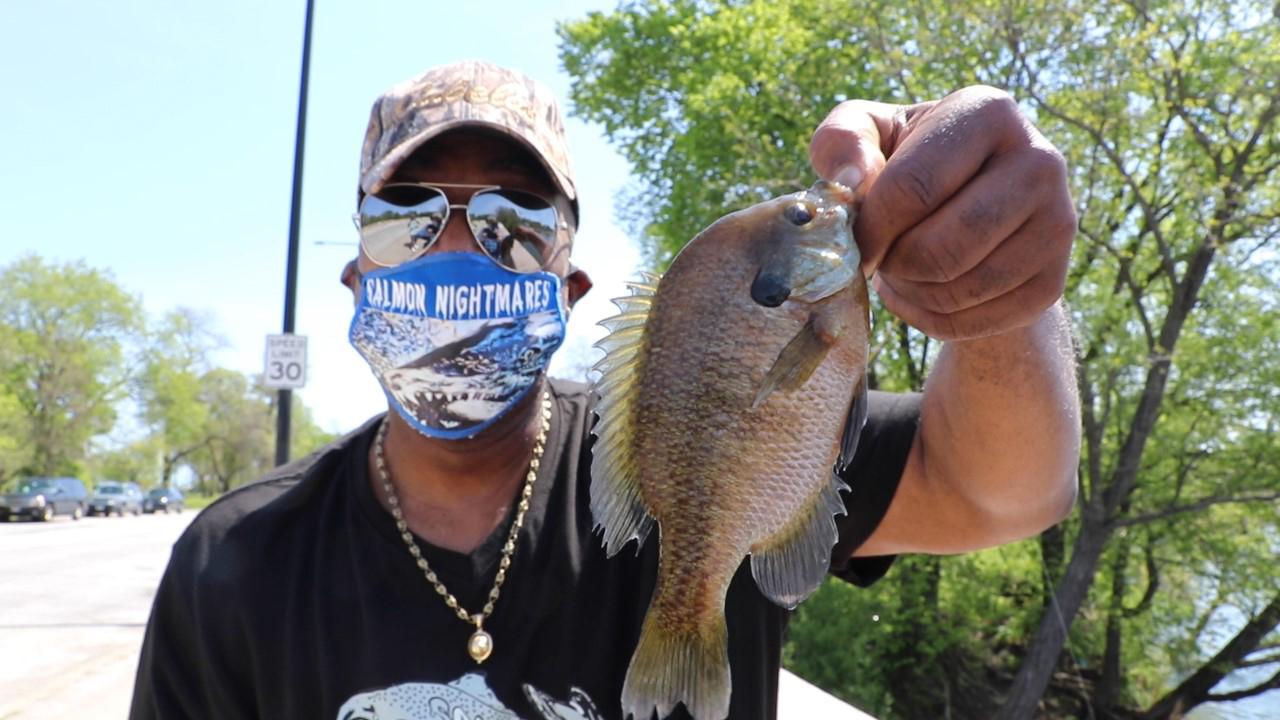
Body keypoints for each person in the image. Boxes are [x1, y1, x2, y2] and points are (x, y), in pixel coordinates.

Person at [130, 61, 1079, 720]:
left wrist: (993, 295)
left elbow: (1002, 491)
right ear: (356, 278)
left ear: (569, 288)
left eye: (514, 219)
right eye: (406, 215)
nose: (459, 246)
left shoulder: (664, 446)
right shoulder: (233, 564)